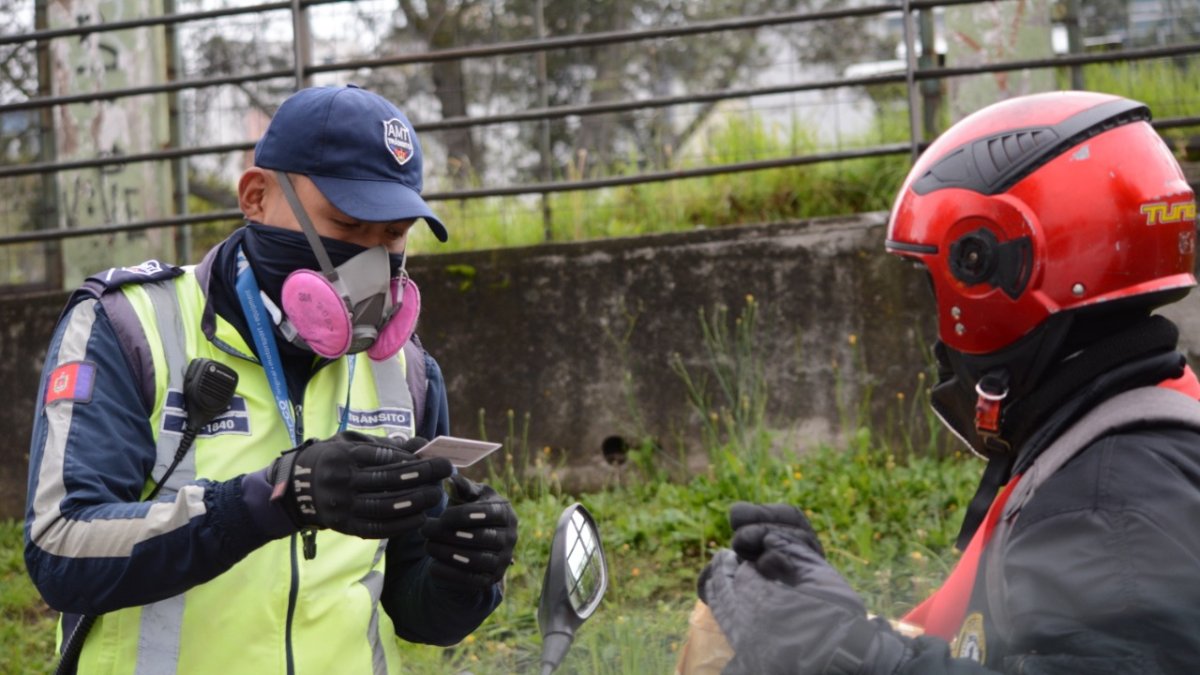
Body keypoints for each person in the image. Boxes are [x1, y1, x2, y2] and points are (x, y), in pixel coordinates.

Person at [692, 90, 1200, 674]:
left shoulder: (1100, 509)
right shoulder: (1131, 423)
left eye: (937, 291)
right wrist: (818, 611)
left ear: (989, 272)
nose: (937, 337)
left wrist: (839, 654)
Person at [24, 84, 519, 674]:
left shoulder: (405, 369)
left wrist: (465, 574)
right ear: (256, 197)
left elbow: (418, 614)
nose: (374, 256)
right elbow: (60, 548)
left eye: (394, 234)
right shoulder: (127, 325)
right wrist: (268, 502)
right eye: (349, 223)